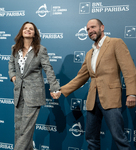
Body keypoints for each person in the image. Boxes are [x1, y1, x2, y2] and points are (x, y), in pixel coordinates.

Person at [51, 19, 136, 149]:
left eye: (93, 27)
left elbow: (129, 70)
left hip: (111, 98)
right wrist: (61, 91)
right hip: (92, 101)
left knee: (119, 138)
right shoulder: (89, 53)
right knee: (91, 139)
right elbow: (80, 77)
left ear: (102, 27)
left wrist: (131, 93)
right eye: (88, 29)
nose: (90, 31)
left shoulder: (115, 43)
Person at [8, 21, 60, 150]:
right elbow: (11, 64)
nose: (28, 30)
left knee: (26, 129)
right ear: (22, 31)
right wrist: (13, 76)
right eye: (25, 28)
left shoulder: (40, 50)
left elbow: (48, 69)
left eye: (31, 29)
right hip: (19, 93)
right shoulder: (15, 48)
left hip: (34, 94)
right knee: (19, 128)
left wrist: (55, 87)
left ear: (35, 33)